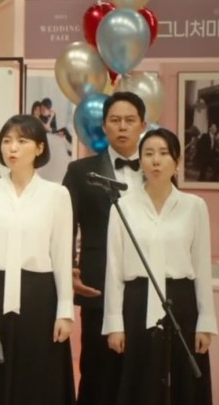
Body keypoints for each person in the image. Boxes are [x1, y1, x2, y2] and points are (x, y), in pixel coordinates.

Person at [0, 115, 75, 405]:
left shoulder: (57, 195)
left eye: (22, 141)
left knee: (36, 380)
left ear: (39, 148)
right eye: (7, 141)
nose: (12, 147)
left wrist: (65, 312)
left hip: (39, 299)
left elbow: (62, 256)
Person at [103, 127, 217, 405]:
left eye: (164, 154)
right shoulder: (122, 206)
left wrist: (206, 322)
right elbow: (114, 270)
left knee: (183, 383)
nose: (156, 161)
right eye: (149, 154)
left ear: (177, 161)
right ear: (140, 160)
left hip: (181, 302)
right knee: (140, 382)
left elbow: (202, 268)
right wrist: (115, 324)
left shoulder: (194, 206)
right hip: (137, 302)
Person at [62, 91, 146, 405]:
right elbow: (64, 226)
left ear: (142, 125)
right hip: (97, 284)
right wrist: (69, 269)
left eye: (130, 120)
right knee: (98, 372)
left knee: (142, 372)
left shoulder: (156, 169)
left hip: (147, 285)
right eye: (115, 120)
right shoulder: (80, 171)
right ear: (104, 126)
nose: (122, 127)